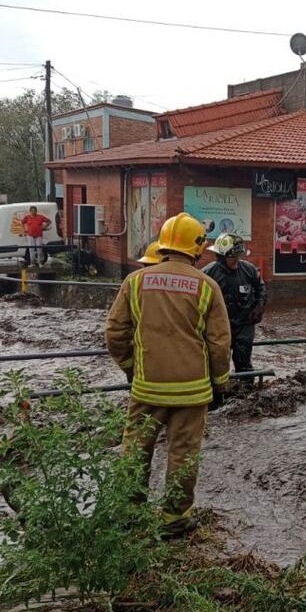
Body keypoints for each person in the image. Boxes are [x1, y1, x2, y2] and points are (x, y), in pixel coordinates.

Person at [105, 213, 231, 537]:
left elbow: (115, 333)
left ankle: (129, 513)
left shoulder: (135, 282)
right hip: (192, 392)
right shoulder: (208, 286)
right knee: (183, 453)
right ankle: (174, 519)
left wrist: (133, 369)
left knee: (135, 449)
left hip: (147, 388)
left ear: (162, 245)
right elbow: (219, 343)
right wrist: (220, 384)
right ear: (198, 247)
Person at [202, 234, 266, 382]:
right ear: (221, 257)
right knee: (217, 361)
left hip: (245, 324)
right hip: (219, 327)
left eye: (239, 256)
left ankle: (247, 391)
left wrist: (259, 306)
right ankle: (218, 392)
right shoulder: (208, 274)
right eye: (233, 257)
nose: (237, 260)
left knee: (244, 363)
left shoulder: (249, 270)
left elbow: (261, 288)